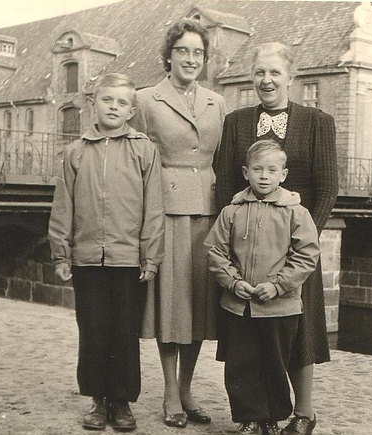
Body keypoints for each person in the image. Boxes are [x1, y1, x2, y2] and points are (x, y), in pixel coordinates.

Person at [214, 42, 338, 435]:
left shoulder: (317, 122)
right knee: (250, 333)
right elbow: (226, 189)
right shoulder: (235, 122)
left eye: (274, 73)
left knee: (300, 330)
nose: (266, 81)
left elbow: (328, 188)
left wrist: (302, 243)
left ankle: (304, 413)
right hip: (248, 248)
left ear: (291, 78)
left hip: (298, 249)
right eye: (259, 73)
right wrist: (235, 247)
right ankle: (257, 413)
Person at [48, 73, 165, 432]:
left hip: (129, 259)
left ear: (132, 110)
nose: (114, 107)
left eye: (122, 103)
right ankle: (98, 400)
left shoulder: (144, 150)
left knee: (124, 331)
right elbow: (63, 205)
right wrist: (61, 253)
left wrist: (151, 255)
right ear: (93, 104)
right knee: (93, 328)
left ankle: (123, 401)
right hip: (86, 259)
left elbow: (154, 207)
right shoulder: (75, 152)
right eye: (107, 100)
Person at [129, 18, 226, 428]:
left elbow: (219, 157)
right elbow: (132, 160)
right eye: (183, 51)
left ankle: (188, 388)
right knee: (170, 306)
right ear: (168, 56)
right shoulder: (145, 99)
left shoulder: (216, 102)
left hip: (207, 214)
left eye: (198, 53)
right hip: (164, 212)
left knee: (200, 308)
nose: (190, 59)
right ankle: (170, 391)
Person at [206, 140, 320, 435]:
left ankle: (271, 418)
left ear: (283, 174)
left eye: (272, 170)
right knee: (241, 364)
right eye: (258, 169)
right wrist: (233, 282)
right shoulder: (232, 212)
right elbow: (215, 252)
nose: (264, 176)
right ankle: (249, 418)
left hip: (279, 307)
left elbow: (307, 256)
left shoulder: (296, 213)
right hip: (239, 304)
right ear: (246, 172)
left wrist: (278, 286)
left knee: (274, 363)